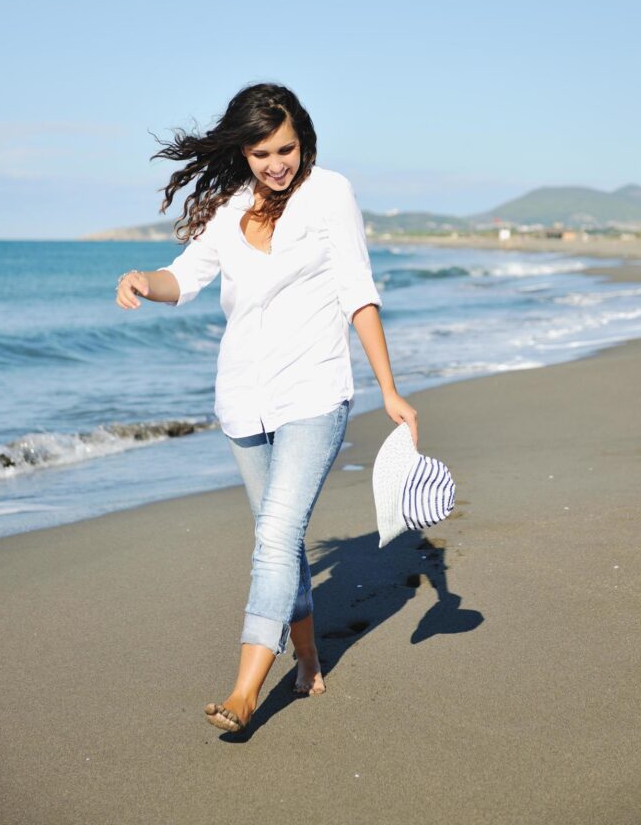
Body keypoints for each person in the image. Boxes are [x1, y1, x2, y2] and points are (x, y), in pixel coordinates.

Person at [115, 83, 418, 733]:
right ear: (243, 152)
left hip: (312, 391)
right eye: (261, 152)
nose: (276, 163)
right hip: (241, 400)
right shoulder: (229, 209)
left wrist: (387, 388)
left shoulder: (328, 193)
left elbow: (357, 292)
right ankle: (308, 659)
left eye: (286, 148)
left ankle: (246, 689)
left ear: (303, 140)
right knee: (279, 541)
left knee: (275, 537)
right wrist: (145, 281)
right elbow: (185, 277)